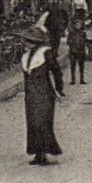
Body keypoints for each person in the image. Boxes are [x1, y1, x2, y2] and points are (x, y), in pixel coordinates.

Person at [20, 26, 64, 165]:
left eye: (26, 41)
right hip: (31, 94)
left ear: (33, 42)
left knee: (43, 122)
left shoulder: (46, 53)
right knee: (32, 123)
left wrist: (59, 89)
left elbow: (56, 71)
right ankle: (38, 153)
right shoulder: (26, 56)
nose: (24, 43)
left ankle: (45, 153)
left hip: (44, 93)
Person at [67, 0, 92, 86]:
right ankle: (73, 79)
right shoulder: (71, 33)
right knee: (73, 66)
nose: (78, 26)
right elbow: (68, 41)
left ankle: (82, 79)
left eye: (79, 25)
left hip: (81, 51)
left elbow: (86, 42)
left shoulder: (83, 33)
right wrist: (71, 47)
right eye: (76, 25)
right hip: (73, 51)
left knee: (81, 66)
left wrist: (83, 47)